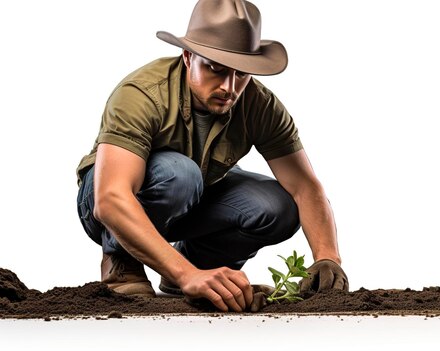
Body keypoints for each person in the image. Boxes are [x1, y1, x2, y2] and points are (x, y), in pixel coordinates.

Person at [75, 0, 348, 312]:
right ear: (189, 57)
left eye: (241, 74)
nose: (229, 87)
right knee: (179, 174)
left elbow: (304, 186)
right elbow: (110, 197)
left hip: (192, 197)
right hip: (107, 200)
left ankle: (199, 266)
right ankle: (121, 261)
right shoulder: (142, 94)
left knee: (280, 207)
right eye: (216, 69)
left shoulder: (260, 105)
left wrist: (328, 258)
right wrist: (186, 274)